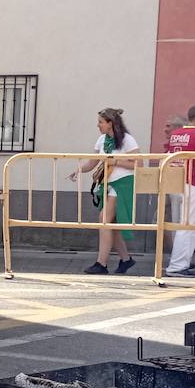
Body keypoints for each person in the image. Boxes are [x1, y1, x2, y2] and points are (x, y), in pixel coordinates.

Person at [68, 108, 139, 274]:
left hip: (123, 184)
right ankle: (126, 260)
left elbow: (138, 164)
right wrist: (78, 170)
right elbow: (93, 162)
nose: (97, 125)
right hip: (108, 183)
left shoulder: (127, 140)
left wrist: (115, 162)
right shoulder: (101, 140)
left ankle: (101, 263)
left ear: (110, 123)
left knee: (104, 219)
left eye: (100, 122)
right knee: (110, 225)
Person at [164, 104, 195, 278]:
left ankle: (179, 263)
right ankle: (178, 266)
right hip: (193, 183)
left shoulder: (176, 134)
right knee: (189, 226)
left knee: (181, 225)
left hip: (175, 182)